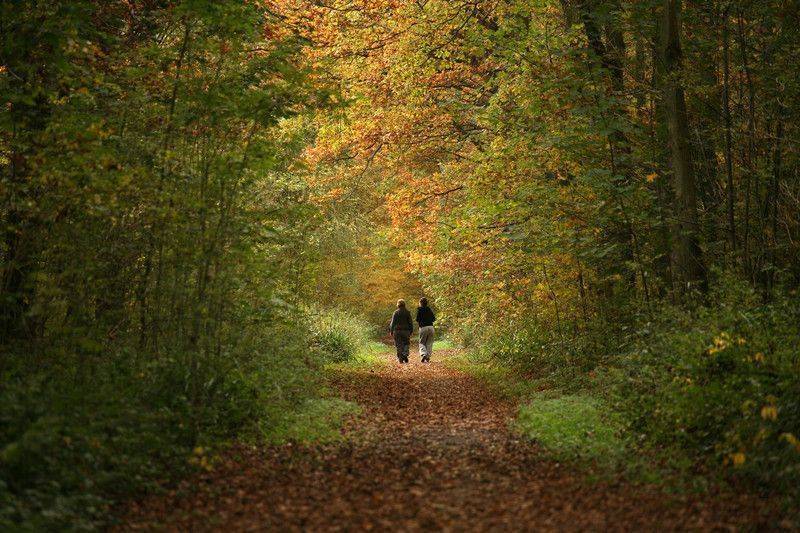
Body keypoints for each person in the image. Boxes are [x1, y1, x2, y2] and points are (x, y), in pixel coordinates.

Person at [389, 299, 413, 363]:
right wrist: (411, 331)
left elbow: (393, 323)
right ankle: (405, 354)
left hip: (397, 331)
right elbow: (410, 322)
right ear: (404, 304)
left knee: (398, 344)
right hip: (406, 331)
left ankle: (400, 357)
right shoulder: (407, 312)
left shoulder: (395, 312)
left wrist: (391, 331)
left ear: (398, 304)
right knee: (406, 343)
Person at [416, 297, 436, 363]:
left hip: (423, 327)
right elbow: (434, 319)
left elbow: (417, 319)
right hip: (431, 327)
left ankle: (424, 354)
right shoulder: (429, 309)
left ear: (420, 303)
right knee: (429, 342)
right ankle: (427, 356)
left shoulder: (420, 310)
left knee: (422, 342)